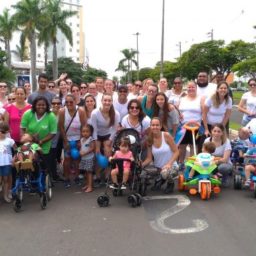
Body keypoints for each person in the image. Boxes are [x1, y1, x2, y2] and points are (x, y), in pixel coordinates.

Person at [21, 96, 57, 181]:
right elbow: (22, 128)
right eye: (38, 105)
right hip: (29, 143)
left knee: (44, 165)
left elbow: (53, 133)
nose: (41, 106)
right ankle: (32, 181)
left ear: (47, 106)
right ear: (34, 105)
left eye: (43, 105)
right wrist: (26, 140)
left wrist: (41, 141)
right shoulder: (28, 113)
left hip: (44, 143)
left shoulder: (51, 116)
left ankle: (44, 181)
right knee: (31, 163)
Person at [141, 117, 179, 193]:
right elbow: (149, 158)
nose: (155, 127)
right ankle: (160, 179)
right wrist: (141, 165)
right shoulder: (149, 139)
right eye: (153, 125)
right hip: (158, 168)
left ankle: (170, 183)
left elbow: (176, 152)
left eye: (157, 125)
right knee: (143, 173)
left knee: (165, 173)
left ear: (160, 126)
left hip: (171, 166)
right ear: (150, 126)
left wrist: (169, 164)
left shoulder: (166, 135)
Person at [90, 93, 120, 185]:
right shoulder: (95, 113)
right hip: (97, 135)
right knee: (97, 154)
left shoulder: (116, 113)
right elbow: (94, 129)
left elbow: (115, 129)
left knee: (108, 154)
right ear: (101, 101)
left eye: (109, 100)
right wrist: (96, 144)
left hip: (108, 134)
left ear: (112, 102)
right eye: (105, 100)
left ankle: (107, 175)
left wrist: (109, 142)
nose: (107, 102)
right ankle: (98, 176)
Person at [58, 94, 86, 188]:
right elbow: (61, 127)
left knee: (77, 159)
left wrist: (80, 141)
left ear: (75, 101)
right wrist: (65, 141)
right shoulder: (62, 111)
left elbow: (83, 126)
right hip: (67, 138)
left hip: (78, 138)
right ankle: (66, 178)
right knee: (67, 159)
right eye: (67, 102)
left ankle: (77, 177)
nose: (69, 104)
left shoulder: (81, 111)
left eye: (71, 102)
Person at [177, 81, 208, 165]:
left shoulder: (201, 98)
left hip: (196, 127)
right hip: (183, 127)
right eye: (189, 87)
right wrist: (179, 115)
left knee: (193, 146)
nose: (191, 89)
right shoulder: (182, 99)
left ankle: (192, 165)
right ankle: (181, 163)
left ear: (196, 88)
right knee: (182, 146)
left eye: (193, 87)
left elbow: (204, 114)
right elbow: (177, 111)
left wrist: (206, 129)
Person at [0, 122, 16, 203]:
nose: (1, 133)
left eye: (3, 132)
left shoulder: (10, 141)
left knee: (6, 179)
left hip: (7, 163)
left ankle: (6, 195)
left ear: (7, 132)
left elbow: (17, 150)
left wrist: (14, 158)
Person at [79, 124, 95, 193]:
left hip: (89, 158)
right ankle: (88, 184)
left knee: (89, 172)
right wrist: (80, 151)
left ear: (91, 132)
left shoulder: (91, 139)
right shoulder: (82, 139)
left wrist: (84, 153)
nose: (85, 133)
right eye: (83, 131)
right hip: (84, 158)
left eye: (87, 131)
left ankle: (90, 187)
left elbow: (92, 148)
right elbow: (81, 148)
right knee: (86, 172)